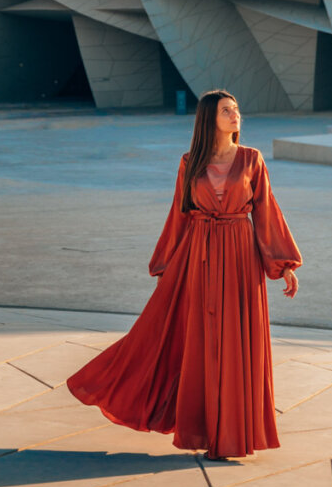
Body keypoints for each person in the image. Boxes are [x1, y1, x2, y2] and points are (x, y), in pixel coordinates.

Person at [66, 88, 302, 461]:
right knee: (202, 345)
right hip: (199, 258)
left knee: (237, 344)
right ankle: (206, 429)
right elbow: (179, 214)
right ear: (209, 119)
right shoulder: (189, 162)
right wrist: (165, 265)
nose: (235, 115)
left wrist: (284, 264)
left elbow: (267, 212)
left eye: (236, 109)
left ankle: (233, 435)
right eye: (226, 111)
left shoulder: (252, 159)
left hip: (241, 259)